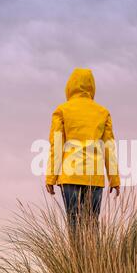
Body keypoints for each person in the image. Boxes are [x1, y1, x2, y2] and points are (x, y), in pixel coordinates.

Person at [45, 67, 120, 230]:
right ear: (92, 87)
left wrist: (51, 177)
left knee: (73, 224)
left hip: (70, 176)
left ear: (70, 86)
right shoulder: (103, 112)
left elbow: (56, 146)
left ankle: (76, 256)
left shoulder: (62, 110)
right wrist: (114, 179)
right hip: (95, 176)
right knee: (92, 225)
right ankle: (93, 257)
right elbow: (109, 148)